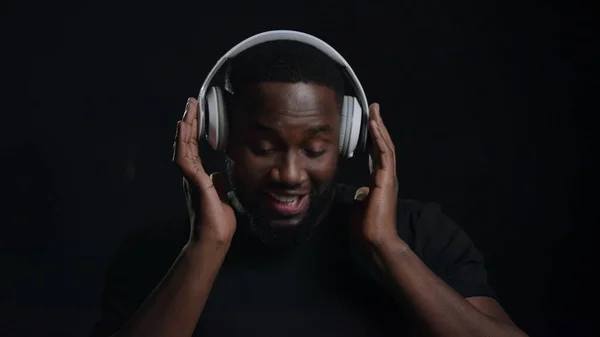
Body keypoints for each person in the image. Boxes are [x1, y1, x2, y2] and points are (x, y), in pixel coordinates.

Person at [90, 35, 528, 337]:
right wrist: (206, 248)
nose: (291, 174)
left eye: (316, 149)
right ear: (219, 135)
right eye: (263, 147)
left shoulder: (418, 234)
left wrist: (386, 248)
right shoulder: (156, 253)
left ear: (349, 139)